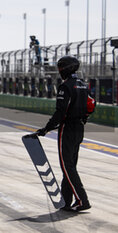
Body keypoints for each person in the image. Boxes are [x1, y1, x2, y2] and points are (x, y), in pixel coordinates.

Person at [36, 56, 92, 212]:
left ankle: (82, 200)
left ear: (66, 69)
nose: (59, 70)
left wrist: (46, 129)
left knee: (67, 167)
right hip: (79, 128)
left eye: (61, 67)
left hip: (67, 129)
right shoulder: (83, 85)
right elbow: (91, 105)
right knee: (70, 166)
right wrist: (84, 118)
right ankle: (66, 201)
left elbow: (61, 112)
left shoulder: (65, 86)